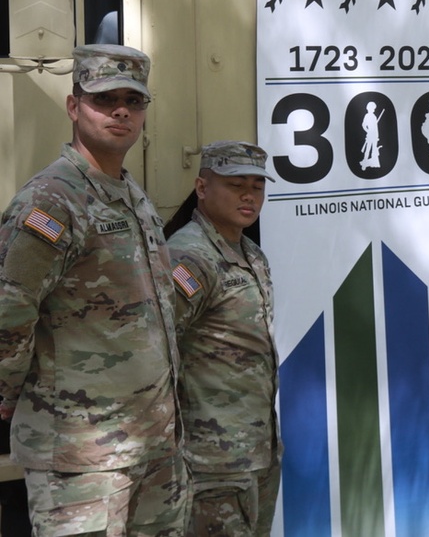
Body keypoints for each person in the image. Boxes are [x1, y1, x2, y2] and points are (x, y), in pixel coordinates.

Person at [0, 44, 188, 535]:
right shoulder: (52, 200)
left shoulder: (132, 195)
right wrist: (5, 393)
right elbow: (10, 307)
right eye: (104, 99)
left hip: (151, 448)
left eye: (134, 100)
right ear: (73, 106)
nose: (121, 110)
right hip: (81, 459)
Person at [167, 141, 280, 537]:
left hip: (255, 451)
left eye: (257, 186)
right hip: (211, 461)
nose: (249, 195)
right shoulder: (189, 257)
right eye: (235, 184)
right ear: (202, 187)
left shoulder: (250, 253)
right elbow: (159, 346)